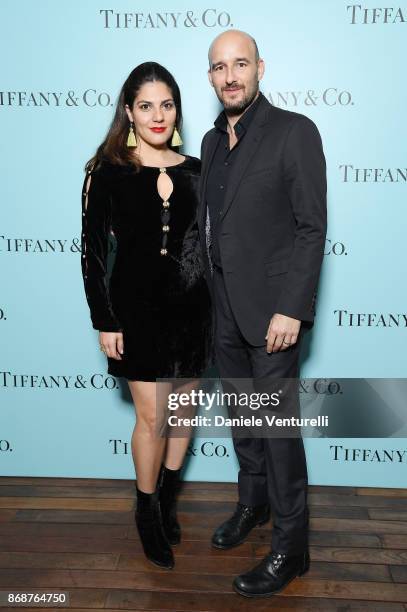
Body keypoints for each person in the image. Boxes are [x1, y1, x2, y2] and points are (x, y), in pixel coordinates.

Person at [198, 30, 327, 597]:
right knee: (245, 421)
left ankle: (292, 546)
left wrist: (291, 309)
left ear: (260, 68)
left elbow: (310, 227)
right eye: (220, 67)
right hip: (222, 308)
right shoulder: (208, 141)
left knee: (278, 431)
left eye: (240, 64)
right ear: (211, 78)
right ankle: (252, 504)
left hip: (273, 314)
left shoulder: (294, 132)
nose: (231, 76)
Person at [80, 62, 213, 570]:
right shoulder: (107, 170)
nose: (158, 115)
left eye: (167, 104)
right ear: (129, 112)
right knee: (153, 417)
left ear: (176, 109)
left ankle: (168, 501)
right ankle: (146, 509)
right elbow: (91, 253)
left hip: (195, 310)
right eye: (146, 105)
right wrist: (105, 319)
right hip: (135, 314)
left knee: (183, 413)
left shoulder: (200, 169)